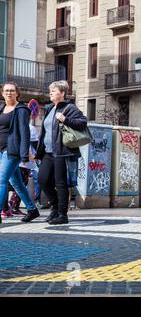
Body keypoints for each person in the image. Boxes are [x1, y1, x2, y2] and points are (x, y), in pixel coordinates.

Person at [35, 80, 88, 225]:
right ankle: (55, 206)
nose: (50, 93)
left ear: (62, 93)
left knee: (60, 183)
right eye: (50, 90)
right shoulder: (50, 108)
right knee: (43, 180)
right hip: (48, 152)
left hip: (62, 151)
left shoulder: (69, 107)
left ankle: (62, 214)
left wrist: (65, 119)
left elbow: (83, 122)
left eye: (54, 91)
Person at [0, 82, 39, 224]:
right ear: (2, 93)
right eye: (6, 91)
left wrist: (24, 155)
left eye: (12, 90)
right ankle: (32, 209)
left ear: (17, 93)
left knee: (1, 180)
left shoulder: (21, 110)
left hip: (11, 151)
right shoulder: (1, 108)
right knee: (16, 183)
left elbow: (24, 133)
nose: (9, 93)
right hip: (1, 150)